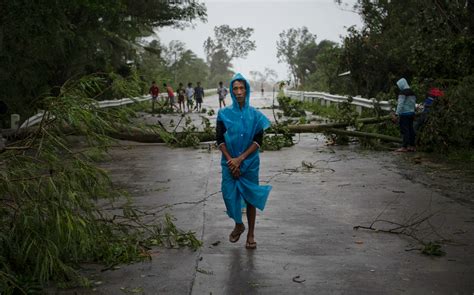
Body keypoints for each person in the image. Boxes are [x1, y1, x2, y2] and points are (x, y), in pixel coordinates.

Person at [215, 73, 272, 250]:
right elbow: (219, 140)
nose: (239, 92)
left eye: (242, 88)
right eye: (235, 89)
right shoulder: (223, 114)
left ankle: (251, 234)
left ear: (246, 90)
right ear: (231, 92)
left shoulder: (255, 116)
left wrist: (240, 159)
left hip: (249, 163)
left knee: (250, 198)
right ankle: (239, 224)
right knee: (228, 194)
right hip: (229, 162)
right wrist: (231, 160)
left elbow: (258, 142)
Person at [392, 78, 417, 152]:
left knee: (405, 130)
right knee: (411, 129)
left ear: (402, 85)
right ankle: (412, 146)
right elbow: (413, 103)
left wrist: (396, 114)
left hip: (404, 114)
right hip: (411, 113)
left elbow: (400, 104)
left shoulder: (402, 93)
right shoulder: (412, 92)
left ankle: (404, 147)